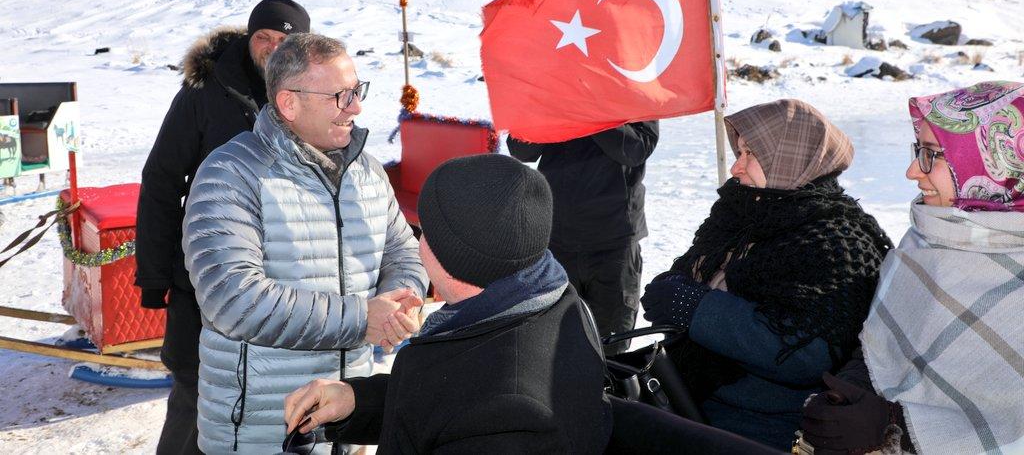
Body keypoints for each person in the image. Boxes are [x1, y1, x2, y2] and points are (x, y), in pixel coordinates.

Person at [182, 33, 429, 454]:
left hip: (344, 425)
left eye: (357, 91)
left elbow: (402, 250)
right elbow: (232, 299)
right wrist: (361, 317)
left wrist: (402, 298)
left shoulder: (366, 171)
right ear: (289, 103)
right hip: (259, 434)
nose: (356, 107)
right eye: (340, 95)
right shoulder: (231, 173)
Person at [284, 153, 613, 454]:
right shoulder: (542, 305)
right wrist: (359, 401)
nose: (417, 238)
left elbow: (470, 407)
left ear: (454, 258)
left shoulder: (514, 415)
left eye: (424, 229)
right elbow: (451, 401)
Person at [641, 99, 893, 450]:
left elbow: (805, 354)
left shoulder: (837, 238)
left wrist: (697, 308)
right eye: (738, 152)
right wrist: (676, 292)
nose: (735, 167)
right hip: (688, 395)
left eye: (750, 154)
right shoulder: (741, 213)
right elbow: (688, 276)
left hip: (765, 425)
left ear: (789, 158)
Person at [801, 81, 1024, 455]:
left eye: (932, 153)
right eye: (917, 150)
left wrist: (893, 424)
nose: (911, 172)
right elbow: (881, 343)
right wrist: (852, 391)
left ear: (997, 162)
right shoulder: (928, 237)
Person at [134, 0, 311, 455]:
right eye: (264, 38)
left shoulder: (314, 93)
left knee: (274, 403)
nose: (274, 49)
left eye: (286, 40)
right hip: (206, 281)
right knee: (197, 399)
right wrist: (154, 275)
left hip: (283, 282)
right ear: (250, 39)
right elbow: (161, 179)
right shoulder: (206, 92)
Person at [507, 122, 658, 354]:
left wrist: (589, 110)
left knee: (610, 351)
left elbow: (636, 149)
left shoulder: (633, 85)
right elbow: (521, 149)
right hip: (556, 240)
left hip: (614, 242)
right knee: (549, 348)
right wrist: (558, 105)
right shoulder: (554, 88)